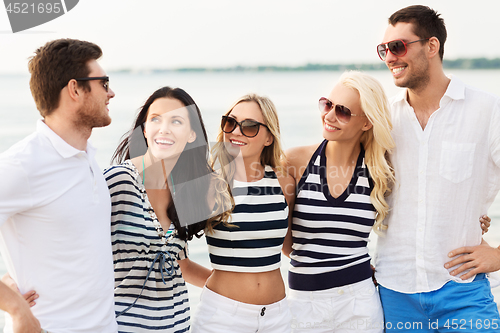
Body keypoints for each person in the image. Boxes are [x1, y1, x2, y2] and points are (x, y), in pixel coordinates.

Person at [374, 5, 500, 331]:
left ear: (432, 47)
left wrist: (499, 254)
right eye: (383, 49)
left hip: (463, 289)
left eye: (398, 46)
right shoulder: (383, 120)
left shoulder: (487, 111)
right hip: (393, 291)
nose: (389, 57)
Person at [0, 39, 117, 332]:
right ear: (75, 89)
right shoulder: (21, 165)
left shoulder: (88, 156)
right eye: (104, 83)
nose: (111, 92)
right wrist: (14, 307)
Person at [105, 87, 230, 332]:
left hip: (177, 324)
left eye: (176, 121)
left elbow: (180, 264)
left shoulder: (183, 189)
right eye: (155, 119)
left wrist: (233, 293)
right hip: (123, 326)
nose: (164, 128)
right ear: (144, 129)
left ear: (192, 134)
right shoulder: (118, 181)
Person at [283, 71, 394, 333]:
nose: (329, 115)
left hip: (360, 303)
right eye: (327, 104)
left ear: (366, 122)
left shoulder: (380, 170)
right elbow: (283, 238)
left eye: (343, 111)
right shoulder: (294, 162)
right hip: (303, 304)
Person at [190, 94, 295, 333]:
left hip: (278, 316)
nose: (236, 131)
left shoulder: (284, 182)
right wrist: (225, 294)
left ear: (269, 137)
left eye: (249, 126)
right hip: (222, 317)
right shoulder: (207, 183)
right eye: (230, 122)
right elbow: (178, 259)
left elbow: (289, 246)